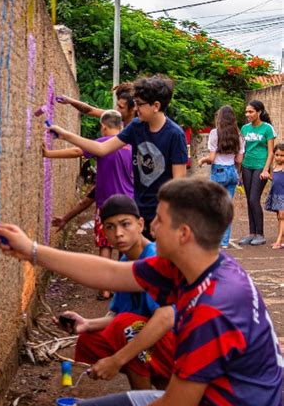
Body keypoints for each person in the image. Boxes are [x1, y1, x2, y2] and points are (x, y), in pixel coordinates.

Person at [0, 178, 283, 406]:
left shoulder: (214, 306)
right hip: (207, 401)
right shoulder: (188, 264)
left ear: (183, 234)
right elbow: (110, 273)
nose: (152, 228)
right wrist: (31, 250)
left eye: (159, 219)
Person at [57, 194, 176, 390]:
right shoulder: (124, 263)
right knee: (91, 340)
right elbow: (118, 315)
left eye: (125, 224)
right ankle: (157, 390)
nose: (118, 233)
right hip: (151, 343)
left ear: (140, 224)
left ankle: (143, 403)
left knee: (128, 328)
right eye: (110, 227)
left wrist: (117, 360)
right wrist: (86, 324)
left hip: (180, 346)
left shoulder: (155, 258)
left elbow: (165, 318)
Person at [49, 75, 188, 240]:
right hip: (137, 211)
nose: (136, 108)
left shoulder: (175, 135)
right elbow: (101, 148)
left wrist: (165, 217)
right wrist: (65, 135)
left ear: (156, 106)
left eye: (140, 104)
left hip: (162, 215)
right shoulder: (137, 127)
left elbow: (179, 184)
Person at [44, 110, 134, 300]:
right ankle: (125, 285)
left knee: (105, 244)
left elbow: (78, 151)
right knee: (126, 244)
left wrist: (48, 154)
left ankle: (105, 289)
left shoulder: (102, 143)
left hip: (107, 205)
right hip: (130, 203)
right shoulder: (131, 145)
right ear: (122, 125)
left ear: (103, 126)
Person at [198, 105, 244, 248]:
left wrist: (202, 160)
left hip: (218, 172)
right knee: (226, 208)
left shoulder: (214, 133)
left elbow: (211, 158)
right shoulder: (239, 135)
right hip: (232, 173)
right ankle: (224, 242)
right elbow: (239, 160)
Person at [239, 100, 276, 246]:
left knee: (254, 199)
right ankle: (252, 233)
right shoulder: (244, 129)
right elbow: (243, 150)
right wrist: (240, 171)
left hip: (261, 167)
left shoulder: (267, 129)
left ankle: (260, 234)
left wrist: (266, 169)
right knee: (249, 200)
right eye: (246, 112)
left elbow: (271, 152)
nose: (247, 114)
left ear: (259, 112)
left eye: (251, 112)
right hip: (247, 166)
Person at [57, 82, 136, 128]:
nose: (116, 109)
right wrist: (70, 101)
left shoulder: (140, 128)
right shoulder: (116, 117)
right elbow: (90, 110)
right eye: (117, 105)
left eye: (121, 107)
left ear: (133, 109)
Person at [265, 143, 284, 249]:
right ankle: (281, 240)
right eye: (277, 155)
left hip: (283, 196)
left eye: (282, 155)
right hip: (275, 195)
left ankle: (278, 240)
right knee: (279, 217)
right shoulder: (275, 166)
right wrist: (269, 177)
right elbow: (276, 180)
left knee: (282, 217)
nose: (279, 158)